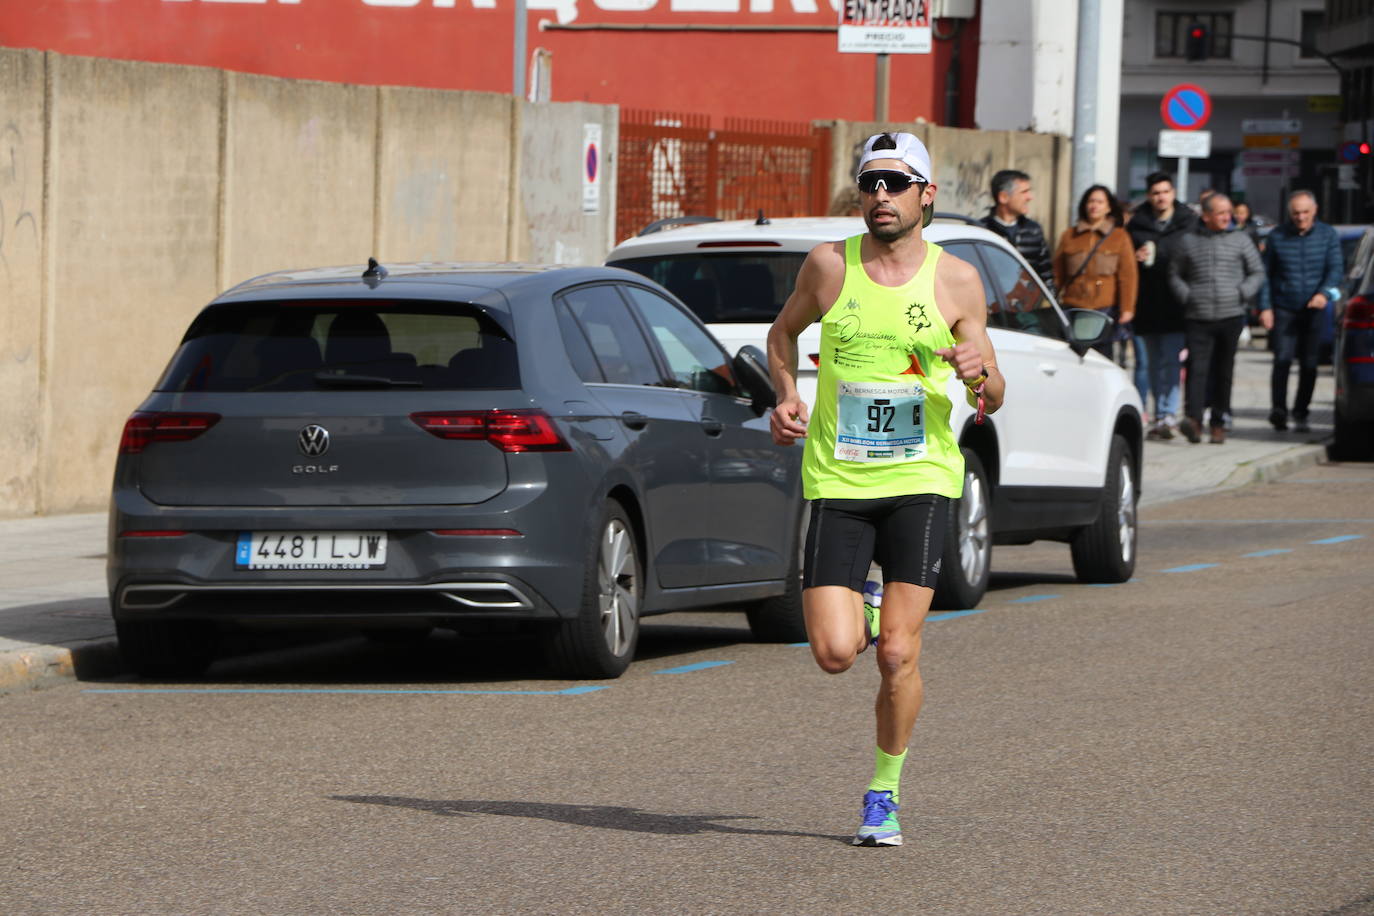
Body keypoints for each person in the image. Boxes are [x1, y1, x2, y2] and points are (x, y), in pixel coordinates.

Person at [766, 131, 1004, 848]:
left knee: (899, 654)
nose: (881, 197)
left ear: (926, 195)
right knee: (836, 653)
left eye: (897, 184)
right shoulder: (828, 266)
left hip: (922, 479)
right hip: (839, 476)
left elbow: (993, 392)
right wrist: (784, 395)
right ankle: (867, 610)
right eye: (871, 183)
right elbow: (781, 338)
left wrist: (979, 374)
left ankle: (883, 793)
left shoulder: (957, 280)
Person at [1167, 193, 1264, 444]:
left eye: (1228, 212)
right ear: (1206, 215)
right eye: (1220, 213)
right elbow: (1175, 273)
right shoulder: (1188, 241)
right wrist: (1187, 296)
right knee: (1197, 370)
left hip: (1230, 314)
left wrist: (1242, 293)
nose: (1225, 217)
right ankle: (1194, 420)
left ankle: (1219, 422)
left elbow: (1257, 271)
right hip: (1197, 316)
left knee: (1224, 371)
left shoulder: (1241, 240)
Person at [1259, 190, 1344, 433]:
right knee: (1282, 360)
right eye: (1296, 213)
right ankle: (1278, 410)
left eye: (1305, 212)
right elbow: (1266, 274)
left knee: (1309, 363)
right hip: (1285, 306)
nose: (1301, 217)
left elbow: (1336, 269)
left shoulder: (1327, 235)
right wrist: (1265, 307)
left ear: (1314, 211)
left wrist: (1324, 293)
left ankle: (1301, 411)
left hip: (1314, 308)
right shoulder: (1278, 236)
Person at [1126, 172, 1198, 438]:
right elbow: (1126, 259)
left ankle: (1168, 413)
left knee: (1171, 361)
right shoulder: (1137, 223)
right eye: (1156, 193)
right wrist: (1135, 256)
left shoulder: (1187, 221)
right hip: (1145, 304)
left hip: (1176, 304)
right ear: (1149, 195)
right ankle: (1154, 414)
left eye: (1165, 192)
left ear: (1173, 193)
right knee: (1147, 363)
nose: (1161, 197)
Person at [1052, 185, 1138, 358]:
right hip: (1074, 307)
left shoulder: (1119, 236)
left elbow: (1128, 276)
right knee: (1073, 357)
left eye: (1099, 202)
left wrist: (1127, 309)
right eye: (1091, 201)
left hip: (1104, 309)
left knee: (1101, 358)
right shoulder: (1069, 235)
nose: (1094, 205)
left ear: (1108, 208)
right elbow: (1057, 274)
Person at [978, 169, 1055, 292]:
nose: (1030, 197)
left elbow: (1046, 275)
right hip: (991, 306)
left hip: (1027, 307)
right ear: (1003, 197)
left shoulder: (1033, 230)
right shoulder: (980, 230)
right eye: (1024, 192)